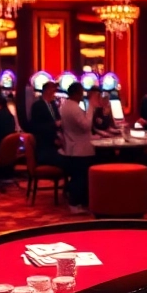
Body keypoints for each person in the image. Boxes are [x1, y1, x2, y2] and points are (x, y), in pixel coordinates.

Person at [59, 83, 95, 213]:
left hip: (73, 146)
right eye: (81, 92)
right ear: (75, 93)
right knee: (79, 177)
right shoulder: (73, 107)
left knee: (78, 176)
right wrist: (91, 108)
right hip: (79, 148)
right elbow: (86, 126)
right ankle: (74, 204)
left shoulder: (65, 106)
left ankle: (78, 202)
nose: (82, 95)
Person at [27, 81, 61, 167]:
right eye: (53, 90)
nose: (55, 93)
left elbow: (58, 120)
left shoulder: (53, 104)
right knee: (67, 160)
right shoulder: (37, 105)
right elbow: (35, 127)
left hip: (55, 143)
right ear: (47, 91)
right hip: (44, 147)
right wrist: (53, 125)